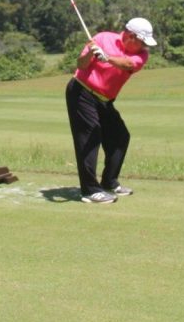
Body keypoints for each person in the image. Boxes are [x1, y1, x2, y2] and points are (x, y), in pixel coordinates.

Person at [65, 17, 157, 204]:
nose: (144, 47)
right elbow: (81, 65)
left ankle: (109, 181)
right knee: (91, 134)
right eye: (142, 42)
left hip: (105, 99)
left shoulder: (142, 55)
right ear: (131, 36)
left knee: (120, 136)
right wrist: (90, 53)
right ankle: (90, 190)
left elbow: (129, 64)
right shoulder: (102, 38)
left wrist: (107, 57)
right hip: (82, 92)